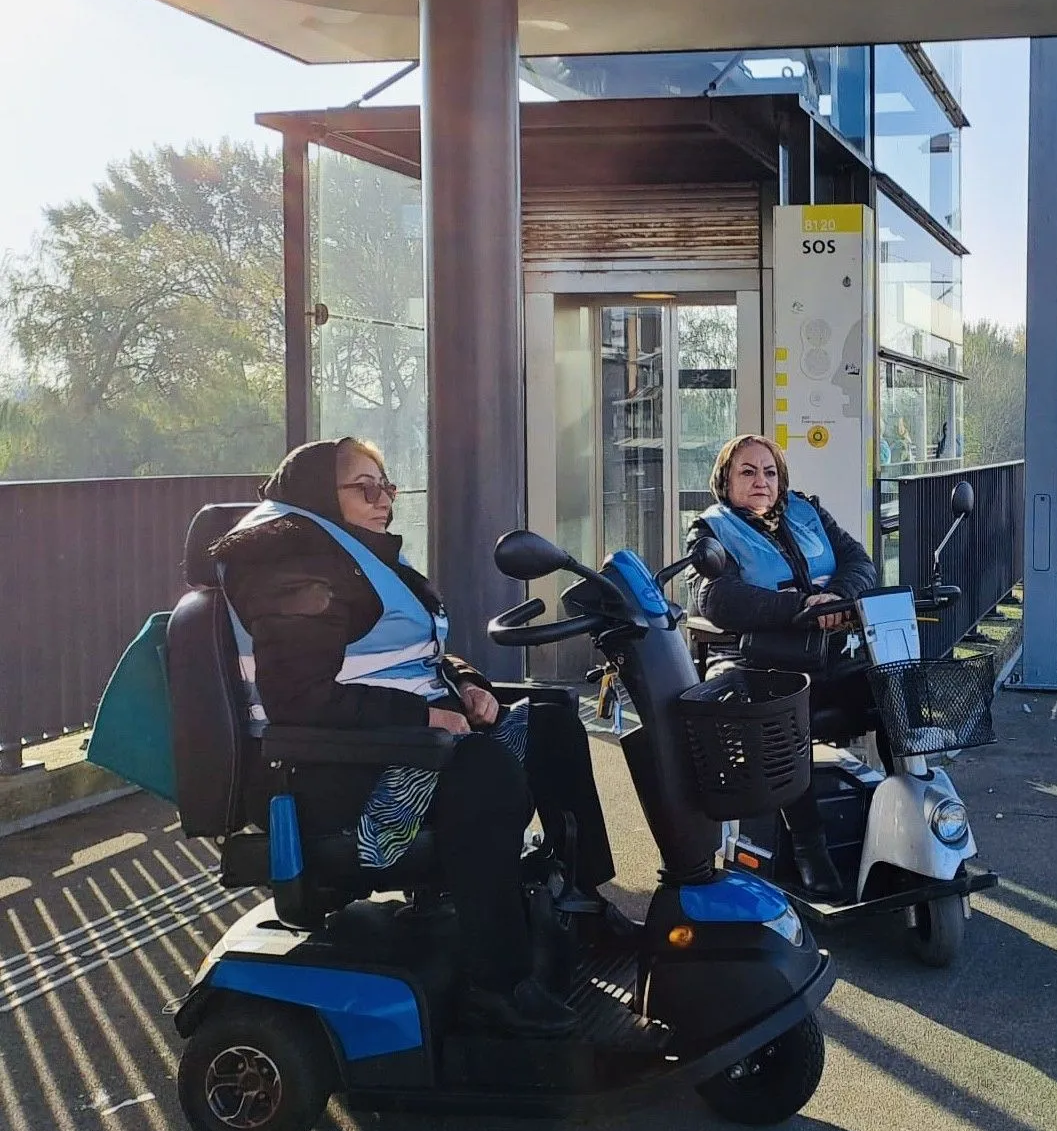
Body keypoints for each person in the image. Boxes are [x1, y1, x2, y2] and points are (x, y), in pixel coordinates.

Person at [214, 438, 659, 1043]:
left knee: (552, 718)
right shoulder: (291, 567)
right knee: (483, 773)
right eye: (363, 487)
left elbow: (408, 656)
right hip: (332, 779)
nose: (383, 499)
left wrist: (470, 685)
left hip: (391, 748)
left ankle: (580, 902)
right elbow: (298, 699)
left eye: (386, 485)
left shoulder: (349, 558)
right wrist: (424, 720)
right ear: (319, 494)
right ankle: (494, 984)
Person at [685, 434, 878, 898]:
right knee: (778, 721)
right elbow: (715, 598)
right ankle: (811, 850)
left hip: (829, 655)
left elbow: (860, 562)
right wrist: (798, 606)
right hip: (757, 664)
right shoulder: (709, 531)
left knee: (894, 689)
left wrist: (838, 596)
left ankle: (903, 824)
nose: (761, 481)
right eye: (747, 472)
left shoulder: (807, 511)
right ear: (726, 481)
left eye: (769, 472)